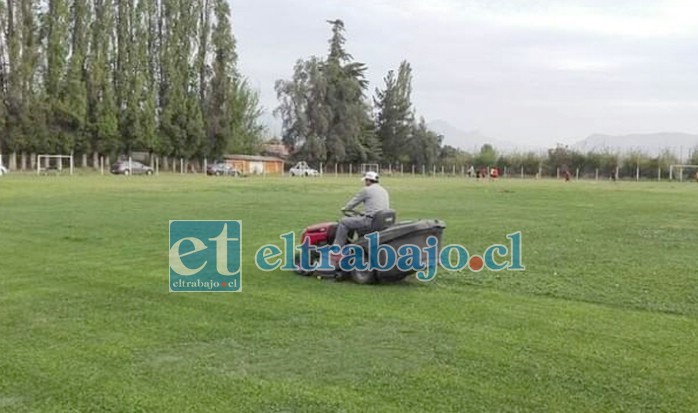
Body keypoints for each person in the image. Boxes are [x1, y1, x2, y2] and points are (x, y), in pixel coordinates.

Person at [331, 171, 390, 263]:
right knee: (357, 220)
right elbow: (376, 207)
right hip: (380, 220)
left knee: (343, 222)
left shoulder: (366, 190)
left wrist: (345, 208)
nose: (365, 182)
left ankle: (336, 250)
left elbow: (353, 203)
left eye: (365, 180)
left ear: (368, 180)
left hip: (370, 221)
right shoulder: (383, 190)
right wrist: (363, 213)